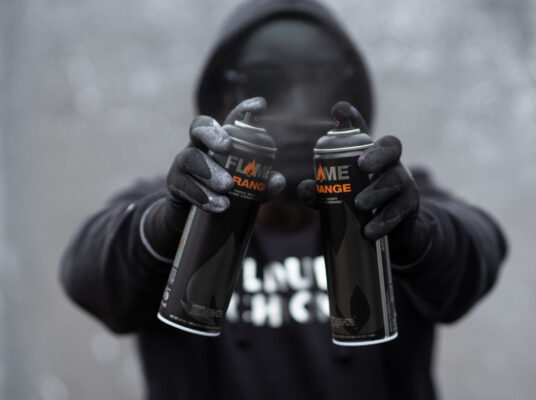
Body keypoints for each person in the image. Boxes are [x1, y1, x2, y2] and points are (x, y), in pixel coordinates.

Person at [60, 0, 508, 399]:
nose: (296, 110)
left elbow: (480, 248)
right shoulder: (175, 203)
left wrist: (418, 236)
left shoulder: (392, 199)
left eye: (321, 83)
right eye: (267, 85)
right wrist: (167, 226)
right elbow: (87, 275)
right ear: (224, 98)